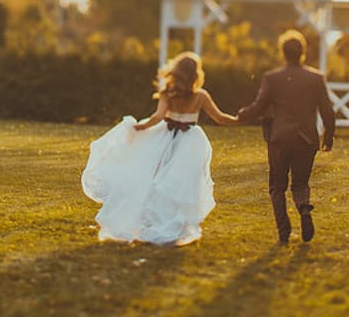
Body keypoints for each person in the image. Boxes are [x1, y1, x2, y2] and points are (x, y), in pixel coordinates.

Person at [82, 52, 238, 246]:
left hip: (164, 137)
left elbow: (157, 117)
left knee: (154, 176)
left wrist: (141, 128)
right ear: (196, 76)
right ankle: (173, 219)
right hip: (189, 141)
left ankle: (150, 216)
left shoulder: (167, 93)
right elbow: (220, 117)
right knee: (179, 181)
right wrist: (240, 119)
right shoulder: (201, 96)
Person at [237, 30, 336, 244]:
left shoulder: (272, 78)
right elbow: (327, 111)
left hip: (280, 138)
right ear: (303, 53)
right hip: (306, 139)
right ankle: (304, 209)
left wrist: (242, 115)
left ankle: (284, 231)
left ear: (282, 53)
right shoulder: (316, 78)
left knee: (277, 186)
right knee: (300, 184)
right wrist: (328, 137)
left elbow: (259, 106)